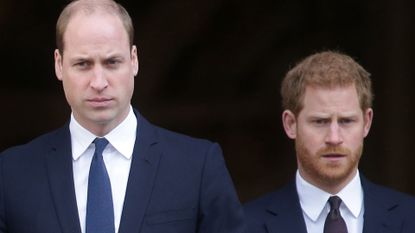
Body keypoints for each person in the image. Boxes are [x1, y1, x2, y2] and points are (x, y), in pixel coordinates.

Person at [0, 0, 245, 233]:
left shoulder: (197, 166)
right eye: (83, 64)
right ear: (59, 64)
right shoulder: (11, 173)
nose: (98, 82)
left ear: (134, 60)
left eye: (112, 62)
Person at [244, 51, 415, 233]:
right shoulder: (242, 225)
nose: (334, 138)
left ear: (366, 122)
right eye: (320, 122)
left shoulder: (410, 218)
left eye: (346, 121)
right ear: (290, 124)